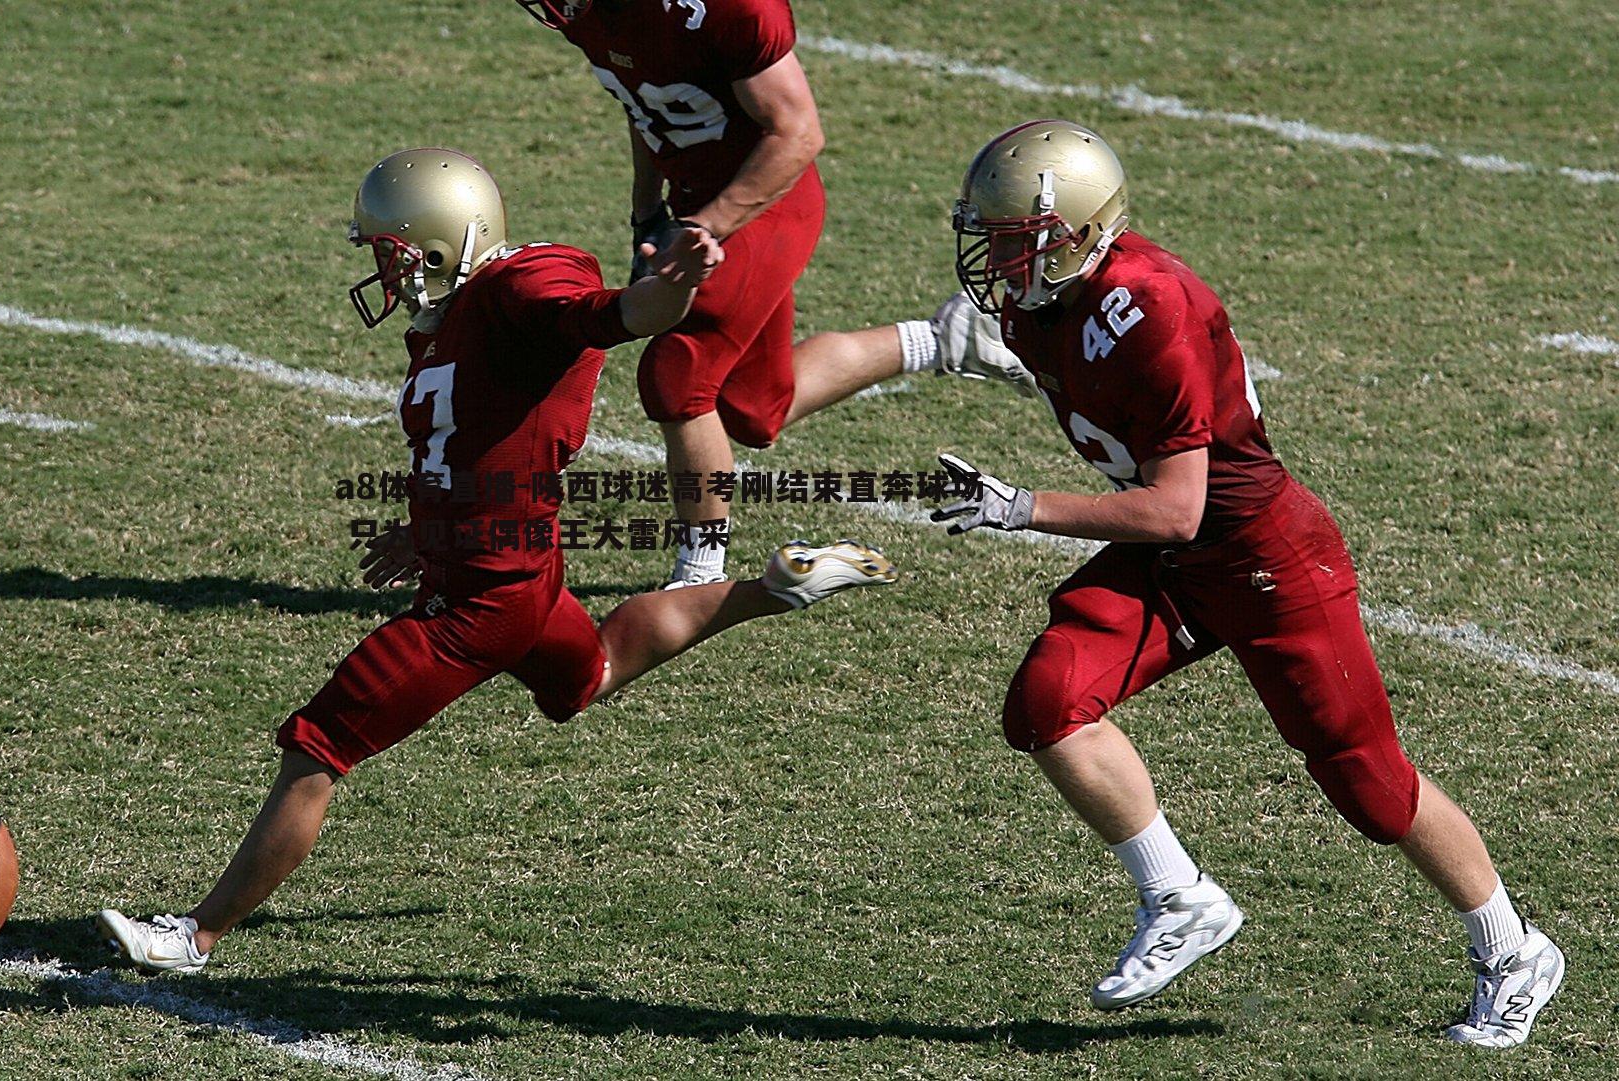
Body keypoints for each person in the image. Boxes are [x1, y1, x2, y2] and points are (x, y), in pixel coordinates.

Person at [97, 148, 896, 972]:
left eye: (394, 252)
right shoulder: (459, 317)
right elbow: (476, 442)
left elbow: (619, 314)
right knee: (591, 673)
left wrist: (675, 286)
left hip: (476, 605)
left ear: (443, 244)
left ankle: (193, 935)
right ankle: (775, 587)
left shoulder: (520, 292)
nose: (384, 270)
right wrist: (426, 527)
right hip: (520, 569)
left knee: (318, 745)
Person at [929, 120, 1562, 1048]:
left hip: (1261, 553)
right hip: (1180, 560)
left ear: (1079, 232)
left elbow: (1176, 508)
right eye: (991, 236)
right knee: (1048, 700)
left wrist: (1022, 507)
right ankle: (1178, 895)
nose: (997, 260)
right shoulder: (1038, 302)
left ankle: (1514, 947)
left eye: (1016, 239)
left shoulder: (1152, 307)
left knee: (1367, 781)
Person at [516, 0, 1026, 588]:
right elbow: (647, 107)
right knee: (757, 409)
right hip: (698, 203)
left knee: (676, 376)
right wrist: (648, 210)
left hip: (768, 204)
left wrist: (707, 226)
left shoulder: (724, 9)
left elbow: (798, 132)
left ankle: (701, 572)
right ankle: (947, 339)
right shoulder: (592, 14)